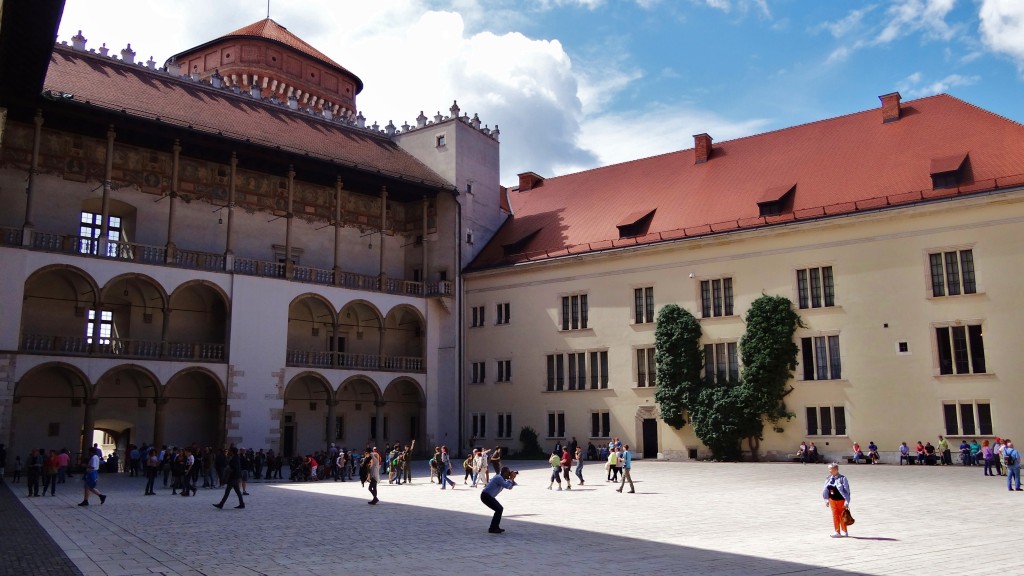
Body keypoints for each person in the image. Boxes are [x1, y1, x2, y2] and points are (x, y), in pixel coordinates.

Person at [481, 467, 517, 534]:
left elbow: (510, 487)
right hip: (486, 496)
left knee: (499, 509)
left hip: (489, 496)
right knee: (499, 509)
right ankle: (492, 528)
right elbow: (507, 485)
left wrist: (512, 479)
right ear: (505, 472)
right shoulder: (498, 478)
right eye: (508, 473)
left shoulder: (502, 479)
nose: (509, 474)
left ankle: (495, 527)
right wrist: (511, 478)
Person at [822, 462, 851, 538]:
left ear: (835, 469)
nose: (829, 471)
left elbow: (847, 491)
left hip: (841, 500)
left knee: (842, 515)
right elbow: (825, 489)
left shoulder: (842, 478)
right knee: (835, 516)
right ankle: (837, 531)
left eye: (830, 469)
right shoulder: (828, 478)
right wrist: (826, 499)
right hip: (832, 500)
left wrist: (847, 501)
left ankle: (844, 531)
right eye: (829, 469)